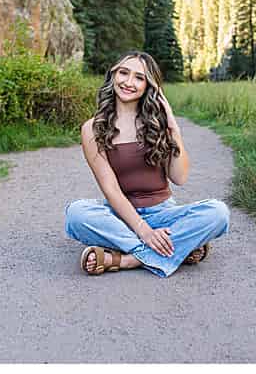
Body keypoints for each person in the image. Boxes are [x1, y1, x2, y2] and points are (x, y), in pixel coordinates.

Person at [67, 51, 230, 276]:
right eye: (124, 73)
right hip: (120, 214)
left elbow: (180, 177)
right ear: (113, 75)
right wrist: (143, 230)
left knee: (218, 213)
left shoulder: (158, 123)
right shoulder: (92, 129)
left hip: (163, 213)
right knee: (76, 214)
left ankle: (127, 260)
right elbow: (111, 190)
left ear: (148, 86)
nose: (128, 82)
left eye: (139, 77)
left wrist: (173, 127)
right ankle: (179, 247)